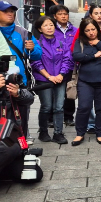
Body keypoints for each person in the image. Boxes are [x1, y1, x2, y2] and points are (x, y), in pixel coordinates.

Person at [0, 57, 42, 199]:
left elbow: (29, 99)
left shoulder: (1, 90)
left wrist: (17, 93)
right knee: (10, 147)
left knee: (34, 174)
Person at [0, 0, 42, 137]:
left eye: (12, 11)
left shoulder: (22, 32)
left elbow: (37, 54)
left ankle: (23, 139)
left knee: (21, 115)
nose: (10, 14)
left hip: (19, 81)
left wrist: (32, 49)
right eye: (5, 11)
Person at [71, 17, 101, 146]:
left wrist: (98, 43)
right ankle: (80, 134)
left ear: (97, 29)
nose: (91, 32)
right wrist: (93, 56)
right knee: (84, 107)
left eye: (93, 29)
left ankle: (100, 134)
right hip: (85, 81)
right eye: (87, 30)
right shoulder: (80, 42)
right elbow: (76, 56)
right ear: (83, 32)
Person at [31, 16, 73, 144]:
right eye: (46, 25)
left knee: (59, 107)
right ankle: (43, 131)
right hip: (44, 80)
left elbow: (68, 60)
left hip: (60, 79)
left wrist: (61, 74)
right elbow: (35, 63)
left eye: (51, 25)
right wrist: (49, 76)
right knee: (46, 106)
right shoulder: (37, 44)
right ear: (40, 29)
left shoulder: (61, 43)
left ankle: (58, 133)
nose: (49, 28)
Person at [53, 5, 77, 126]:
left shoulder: (75, 30)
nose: (63, 16)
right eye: (60, 14)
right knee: (54, 91)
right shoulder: (51, 30)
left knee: (70, 90)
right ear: (55, 16)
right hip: (54, 66)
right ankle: (51, 118)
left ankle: (68, 117)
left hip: (71, 66)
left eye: (65, 14)